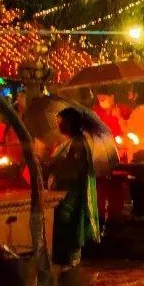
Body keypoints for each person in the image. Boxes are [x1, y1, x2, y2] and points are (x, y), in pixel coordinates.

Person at [48, 108, 101, 267]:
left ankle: (70, 256)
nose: (59, 125)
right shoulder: (67, 141)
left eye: (61, 121)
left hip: (71, 189)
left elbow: (73, 168)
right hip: (62, 188)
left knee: (68, 220)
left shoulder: (78, 143)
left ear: (70, 123)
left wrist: (55, 165)